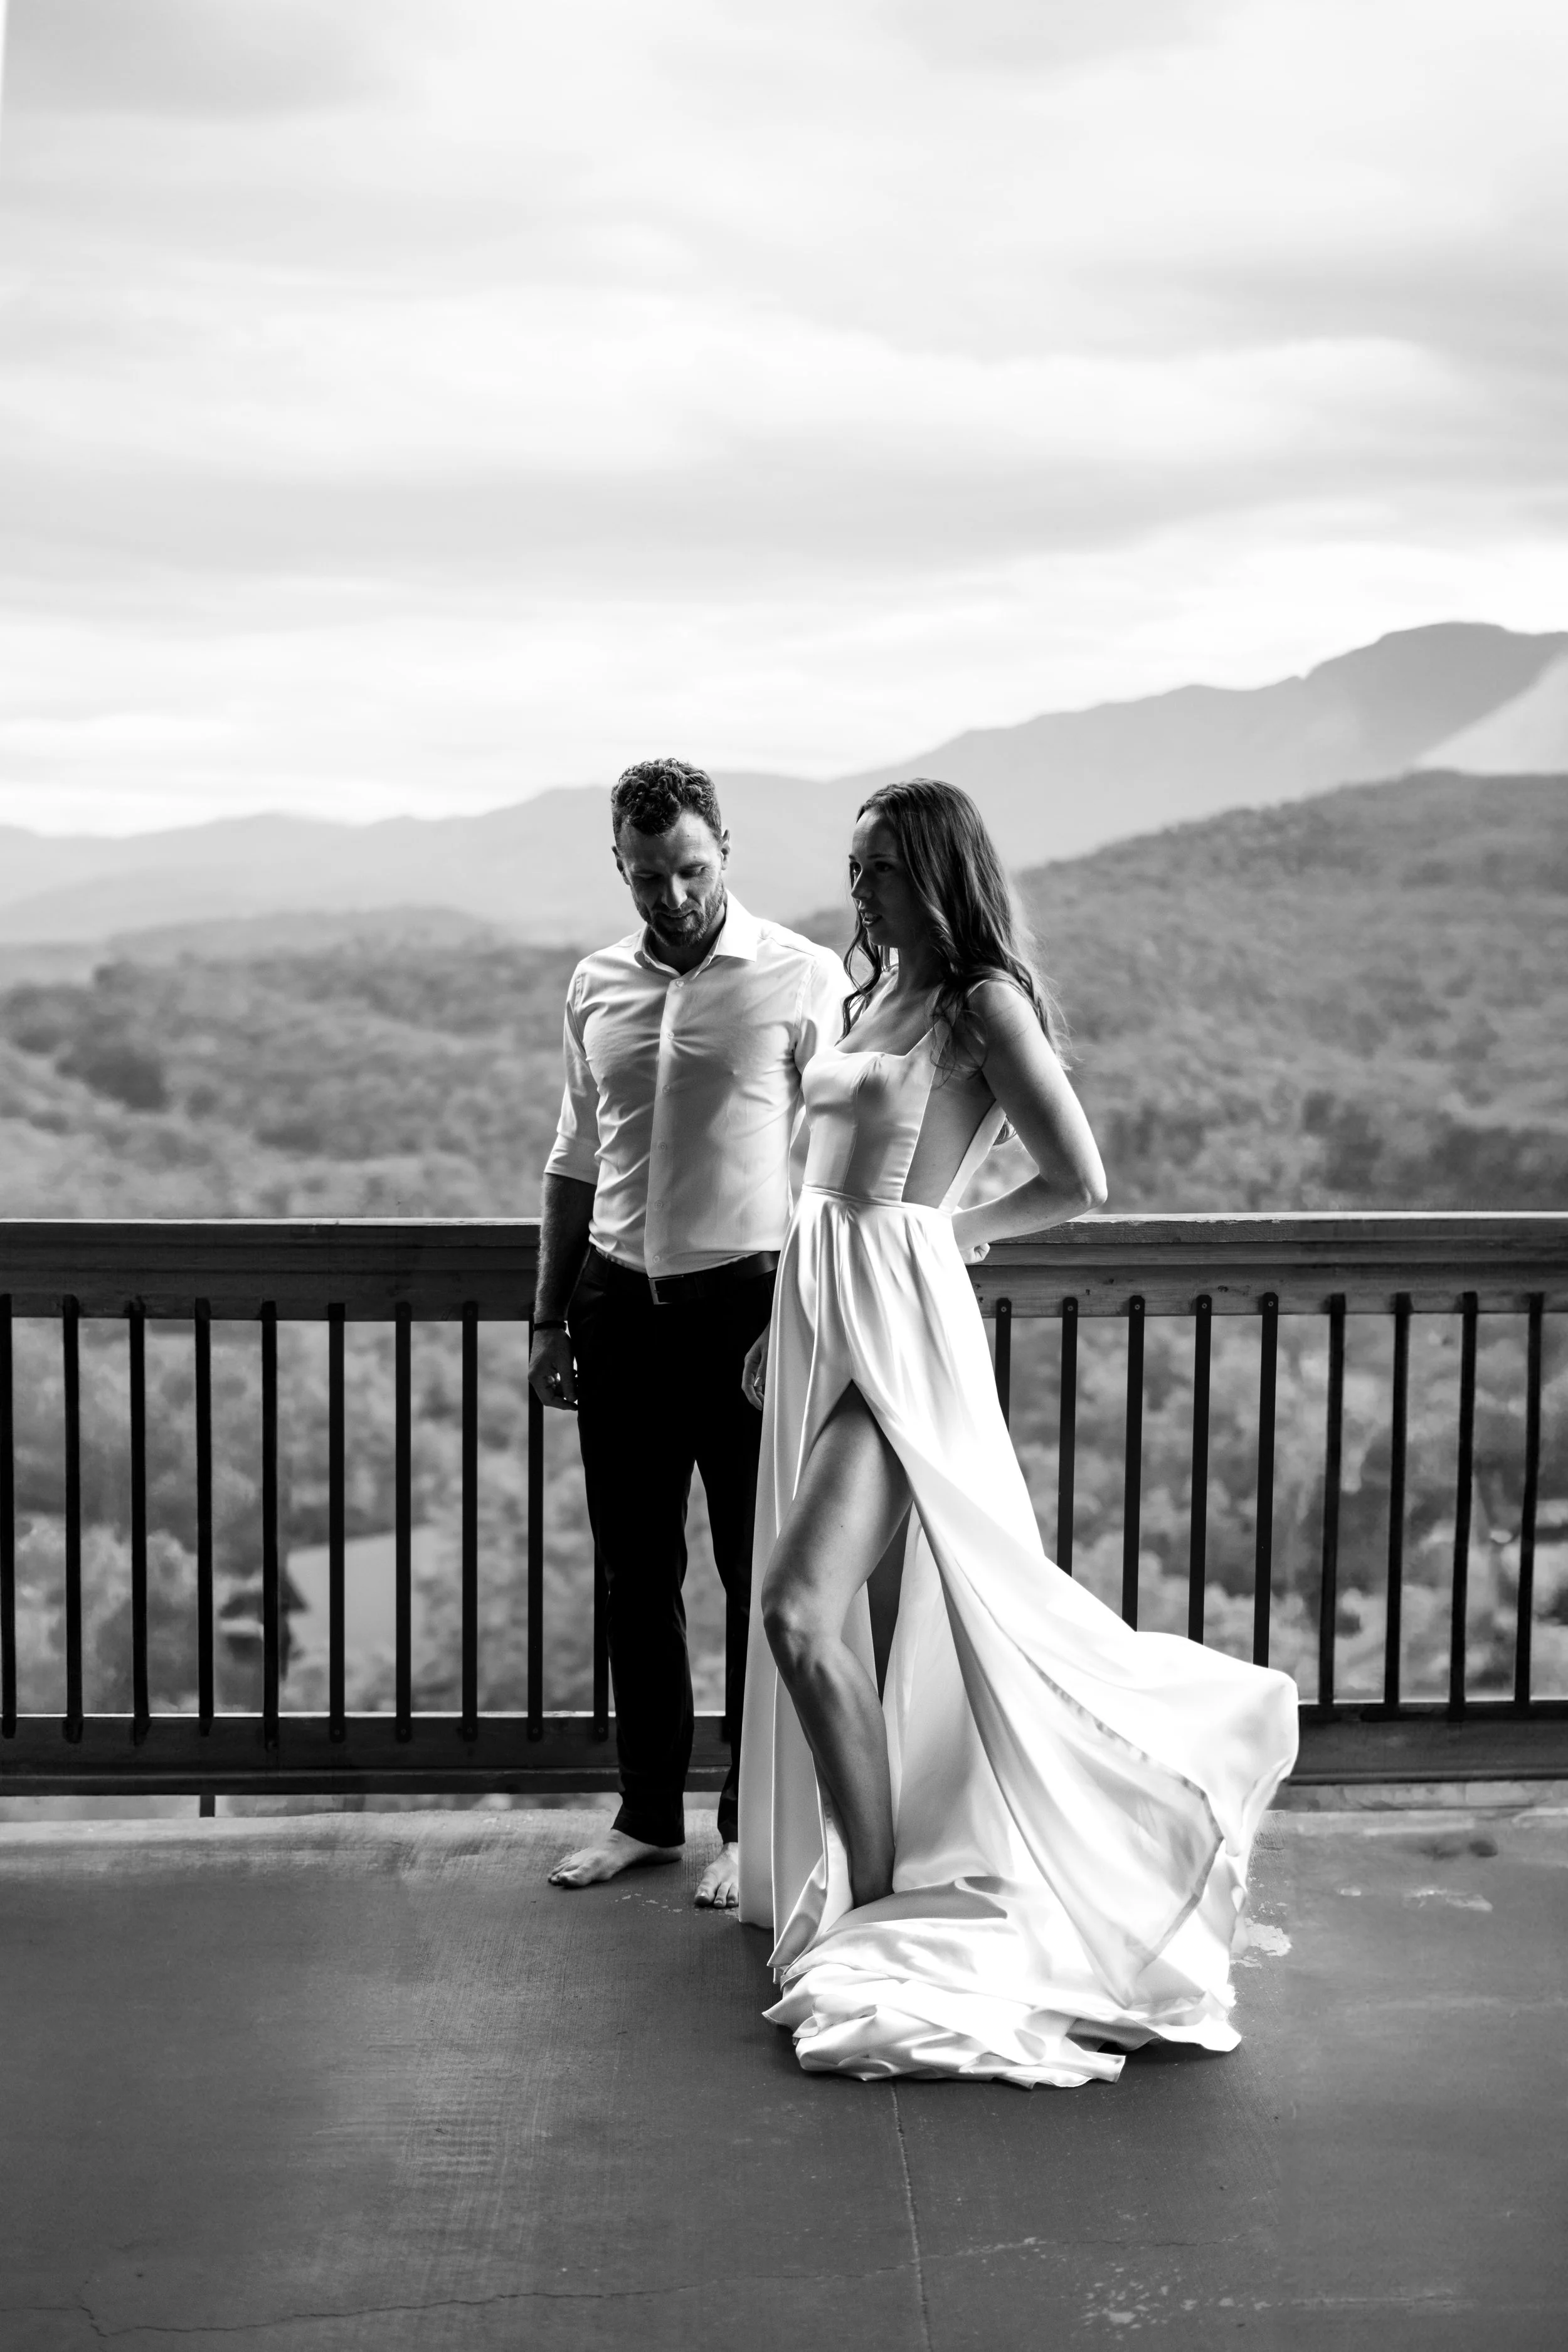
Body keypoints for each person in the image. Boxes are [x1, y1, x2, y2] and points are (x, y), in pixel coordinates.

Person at [737, 778, 1299, 2085]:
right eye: (856, 864)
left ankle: (873, 1907)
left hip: (895, 1328)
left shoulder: (977, 1002)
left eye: (880, 867)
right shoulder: (862, 993)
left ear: (937, 872)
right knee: (850, 1624)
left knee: (798, 1614)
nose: (859, 886)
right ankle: (864, 1873)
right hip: (819, 1303)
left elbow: (1075, 1179)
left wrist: (949, 1236)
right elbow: (812, 1177)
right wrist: (784, 1306)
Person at [531, 756, 842, 1908]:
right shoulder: (594, 984)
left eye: (693, 869)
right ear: (620, 864)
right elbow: (573, 1158)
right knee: (633, 1572)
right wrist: (551, 1314)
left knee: (749, 1572)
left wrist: (799, 1308)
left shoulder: (802, 977)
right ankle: (647, 1816)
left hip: (746, 1314)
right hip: (614, 1306)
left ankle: (745, 1826)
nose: (673, 897)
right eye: (649, 875)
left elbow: (847, 1164)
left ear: (728, 849)